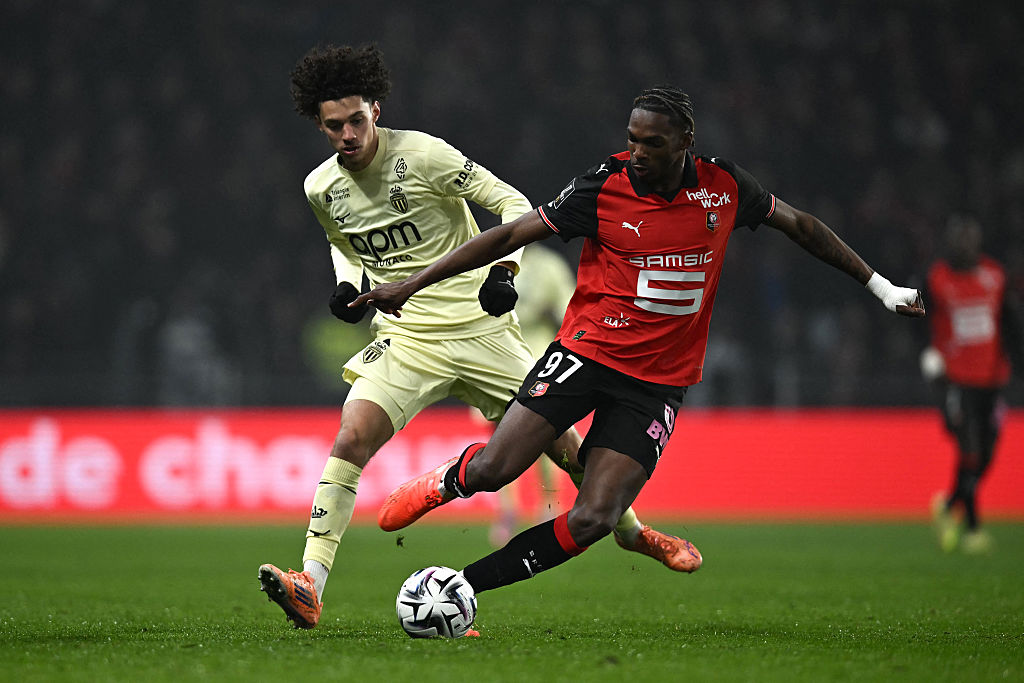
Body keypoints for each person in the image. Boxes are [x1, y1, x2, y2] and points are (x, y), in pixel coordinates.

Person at [352, 86, 926, 621]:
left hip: (656, 384)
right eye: (633, 138)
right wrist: (409, 285)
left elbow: (800, 225)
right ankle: (448, 481)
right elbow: (508, 234)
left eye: (653, 143)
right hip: (585, 354)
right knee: (495, 471)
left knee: (595, 516)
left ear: (685, 143)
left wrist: (881, 287)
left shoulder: (724, 187)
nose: (638, 151)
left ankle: (462, 588)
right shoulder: (602, 188)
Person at [257, 48, 700, 630]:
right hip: (407, 335)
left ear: (376, 110)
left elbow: (513, 205)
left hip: (480, 328)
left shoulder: (423, 154)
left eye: (356, 120)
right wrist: (347, 283)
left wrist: (504, 271)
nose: (347, 134)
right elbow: (343, 241)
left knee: (568, 450)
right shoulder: (320, 187)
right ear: (319, 125)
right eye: (334, 125)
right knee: (350, 439)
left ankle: (634, 534)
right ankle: (310, 583)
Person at [923, 215, 1021, 554]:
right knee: (970, 450)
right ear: (950, 243)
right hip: (956, 381)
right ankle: (973, 529)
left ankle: (949, 506)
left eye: (970, 239)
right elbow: (919, 322)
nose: (964, 245)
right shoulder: (937, 280)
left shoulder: (995, 276)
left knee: (986, 455)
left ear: (978, 242)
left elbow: (1010, 323)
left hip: (992, 381)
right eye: (959, 239)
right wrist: (929, 358)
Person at [487, 244, 577, 546]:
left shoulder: (548, 264)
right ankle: (507, 510)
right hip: (497, 352)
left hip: (537, 352)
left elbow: (571, 308)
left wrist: (550, 313)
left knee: (545, 432)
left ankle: (549, 506)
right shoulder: (492, 257)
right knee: (498, 435)